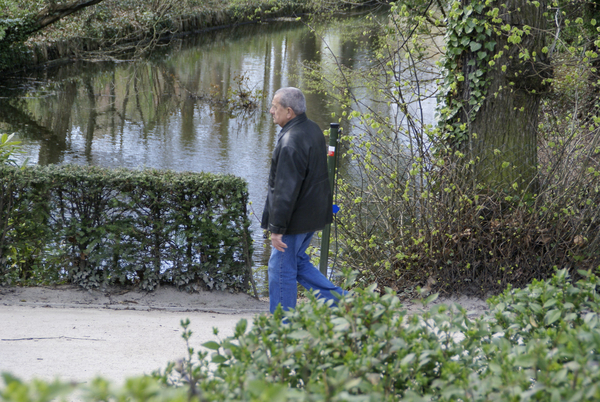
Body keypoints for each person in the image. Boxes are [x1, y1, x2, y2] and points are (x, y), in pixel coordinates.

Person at [262, 87, 347, 314]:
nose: (271, 111)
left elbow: (285, 189)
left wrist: (277, 228)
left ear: (289, 112)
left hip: (294, 220)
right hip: (312, 215)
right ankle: (346, 303)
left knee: (279, 270)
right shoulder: (312, 129)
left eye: (275, 107)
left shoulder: (291, 141)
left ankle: (283, 327)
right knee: (297, 262)